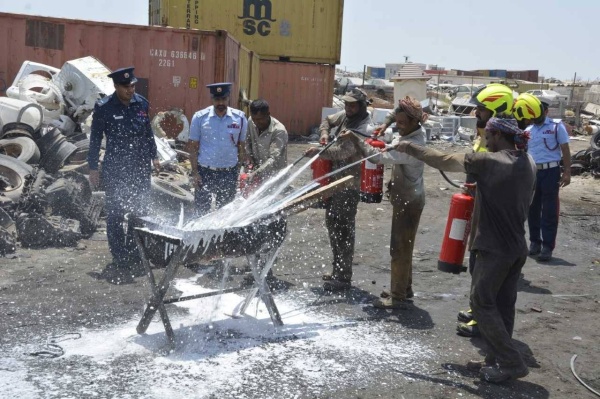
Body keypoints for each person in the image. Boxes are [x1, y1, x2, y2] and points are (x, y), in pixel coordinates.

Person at [392, 115, 536, 383]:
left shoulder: (488, 161)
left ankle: (511, 362)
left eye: (486, 136)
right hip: (517, 246)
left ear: (496, 135)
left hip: (493, 248)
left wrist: (409, 147)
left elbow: (444, 160)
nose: (484, 140)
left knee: (481, 303)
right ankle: (494, 359)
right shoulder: (528, 161)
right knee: (504, 305)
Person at [340, 96, 426, 309]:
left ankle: (397, 298)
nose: (400, 127)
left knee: (399, 248)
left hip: (410, 201)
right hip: (406, 197)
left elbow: (377, 158)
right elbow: (393, 116)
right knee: (405, 246)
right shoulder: (411, 130)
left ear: (415, 122)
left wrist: (356, 139)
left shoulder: (412, 145)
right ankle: (404, 287)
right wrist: (386, 125)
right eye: (398, 123)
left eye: (403, 124)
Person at [456, 83, 515, 338]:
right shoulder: (487, 133)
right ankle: (476, 309)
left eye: (480, 109)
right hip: (480, 202)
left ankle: (483, 320)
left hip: (494, 215)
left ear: (494, 108)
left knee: (485, 269)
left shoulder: (508, 139)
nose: (475, 113)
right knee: (475, 264)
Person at [88, 67, 160, 268]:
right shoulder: (104, 107)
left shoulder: (141, 104)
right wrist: (93, 167)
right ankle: (119, 255)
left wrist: (154, 156)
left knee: (139, 211)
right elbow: (95, 140)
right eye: (126, 86)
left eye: (133, 85)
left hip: (139, 168)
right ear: (116, 86)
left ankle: (134, 251)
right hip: (116, 169)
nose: (131, 90)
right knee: (116, 213)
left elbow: (148, 133)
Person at [304, 88, 372, 292]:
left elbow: (344, 152)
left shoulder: (364, 127)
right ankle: (337, 270)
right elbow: (326, 121)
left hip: (349, 184)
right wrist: (324, 134)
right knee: (332, 224)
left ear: (362, 106)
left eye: (353, 105)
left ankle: (343, 277)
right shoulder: (345, 115)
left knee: (343, 229)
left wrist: (319, 151)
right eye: (347, 104)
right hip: (334, 182)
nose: (348, 108)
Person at [186, 83, 248, 216]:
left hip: (228, 173)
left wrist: (237, 171)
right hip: (205, 173)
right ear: (212, 99)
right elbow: (193, 147)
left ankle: (222, 237)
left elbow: (242, 147)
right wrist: (195, 173)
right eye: (217, 99)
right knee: (201, 212)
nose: (220, 103)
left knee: (224, 213)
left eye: (223, 99)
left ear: (228, 98)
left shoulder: (240, 118)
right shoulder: (200, 118)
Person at [526, 100, 571, 261]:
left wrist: (567, 172)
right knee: (532, 208)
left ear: (545, 112)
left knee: (550, 210)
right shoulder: (529, 129)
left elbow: (565, 148)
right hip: (533, 172)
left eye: (539, 111)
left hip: (551, 172)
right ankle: (534, 242)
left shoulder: (556, 127)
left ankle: (547, 246)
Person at [245, 99, 288, 182]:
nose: (257, 122)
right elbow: (248, 142)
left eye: (260, 119)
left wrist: (255, 173)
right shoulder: (251, 121)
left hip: (275, 176)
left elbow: (273, 159)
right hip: (257, 174)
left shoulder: (279, 131)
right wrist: (249, 159)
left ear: (268, 114)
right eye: (255, 119)